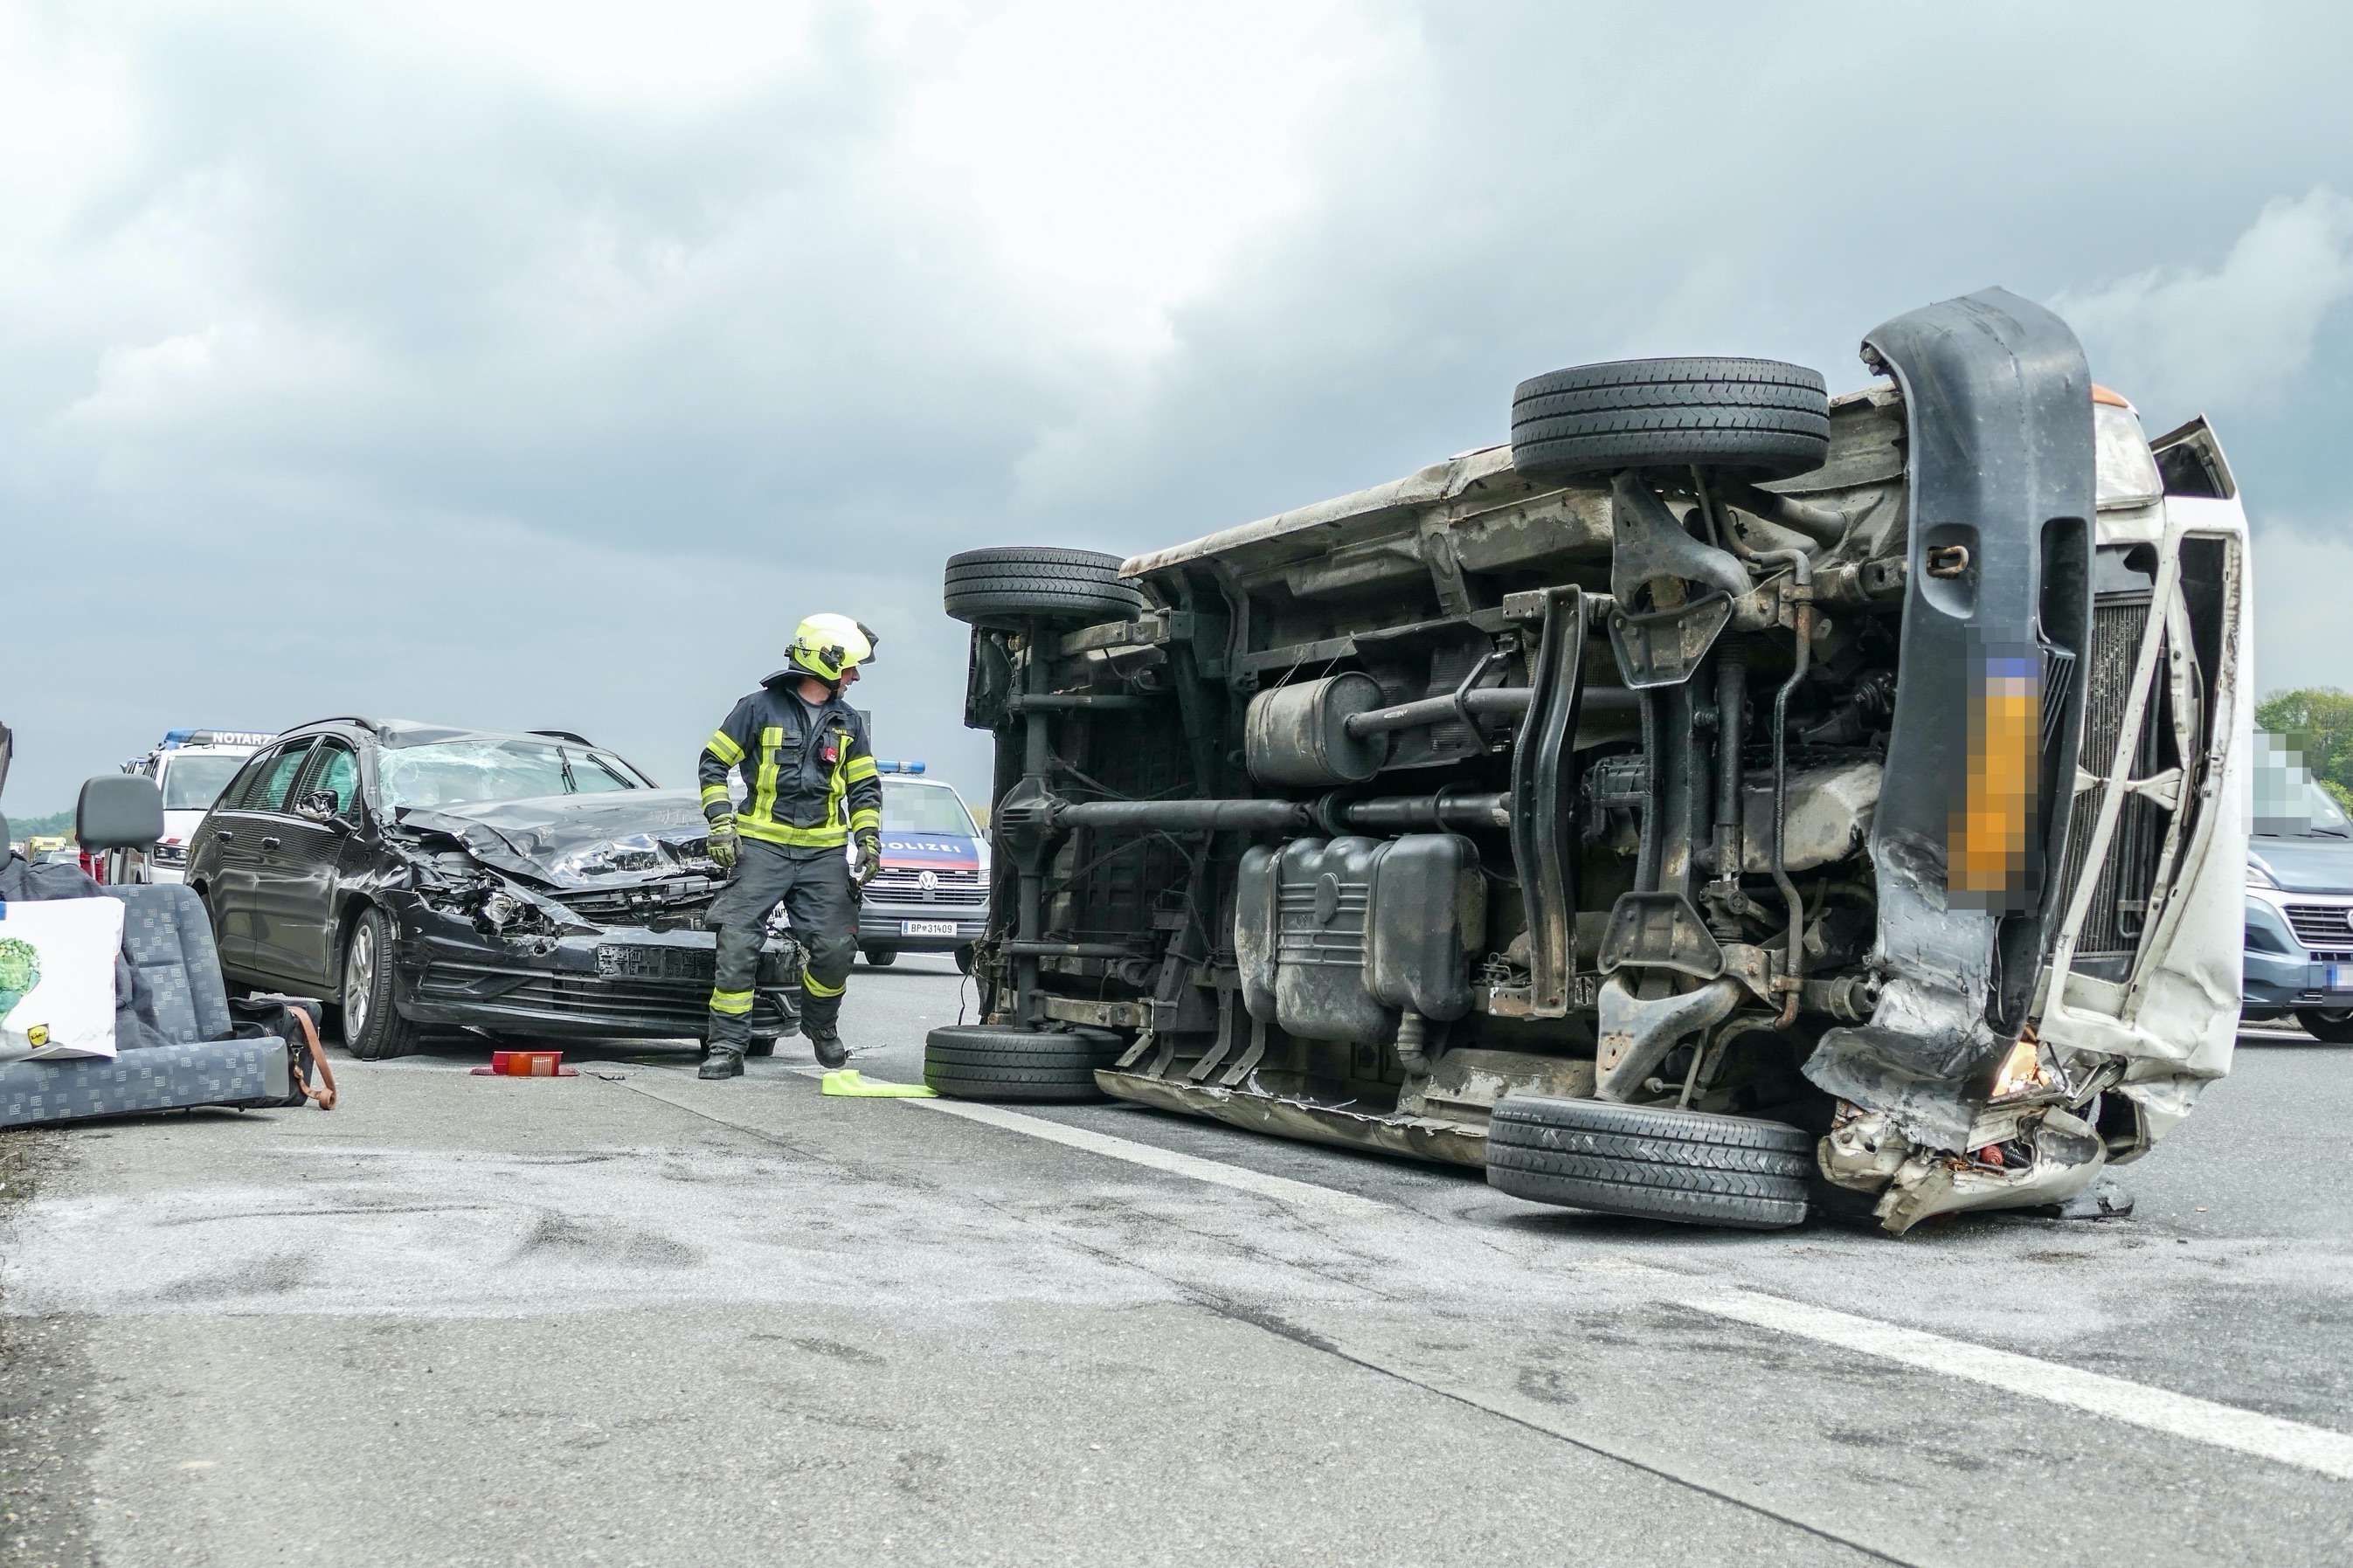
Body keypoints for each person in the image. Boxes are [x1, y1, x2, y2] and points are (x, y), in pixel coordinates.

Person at [696, 614, 884, 1080]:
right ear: (825, 661)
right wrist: (721, 823)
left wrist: (869, 839)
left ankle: (821, 1028)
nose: (855, 677)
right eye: (851, 668)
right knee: (738, 942)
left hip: (822, 854)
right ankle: (727, 1047)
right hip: (761, 847)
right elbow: (712, 764)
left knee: (836, 948)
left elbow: (864, 787)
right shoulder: (757, 708)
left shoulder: (849, 722)